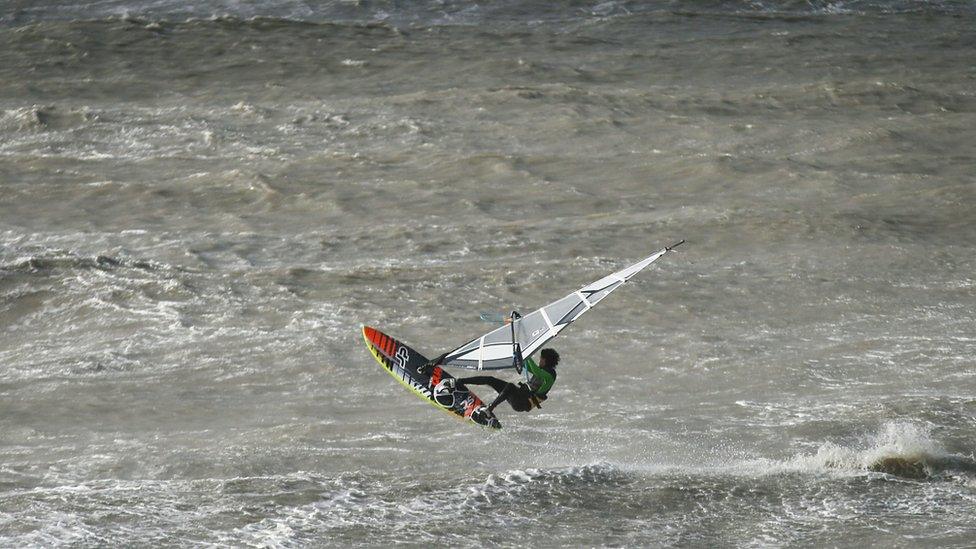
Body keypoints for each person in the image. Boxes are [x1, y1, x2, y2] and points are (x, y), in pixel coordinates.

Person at [452, 348, 559, 416]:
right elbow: (529, 368)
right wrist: (519, 357)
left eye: (541, 359)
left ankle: (489, 409)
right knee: (491, 380)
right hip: (518, 395)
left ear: (545, 361)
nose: (539, 361)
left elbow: (535, 370)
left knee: (510, 386)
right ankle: (460, 381)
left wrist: (526, 353)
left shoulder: (550, 375)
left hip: (522, 403)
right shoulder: (543, 371)